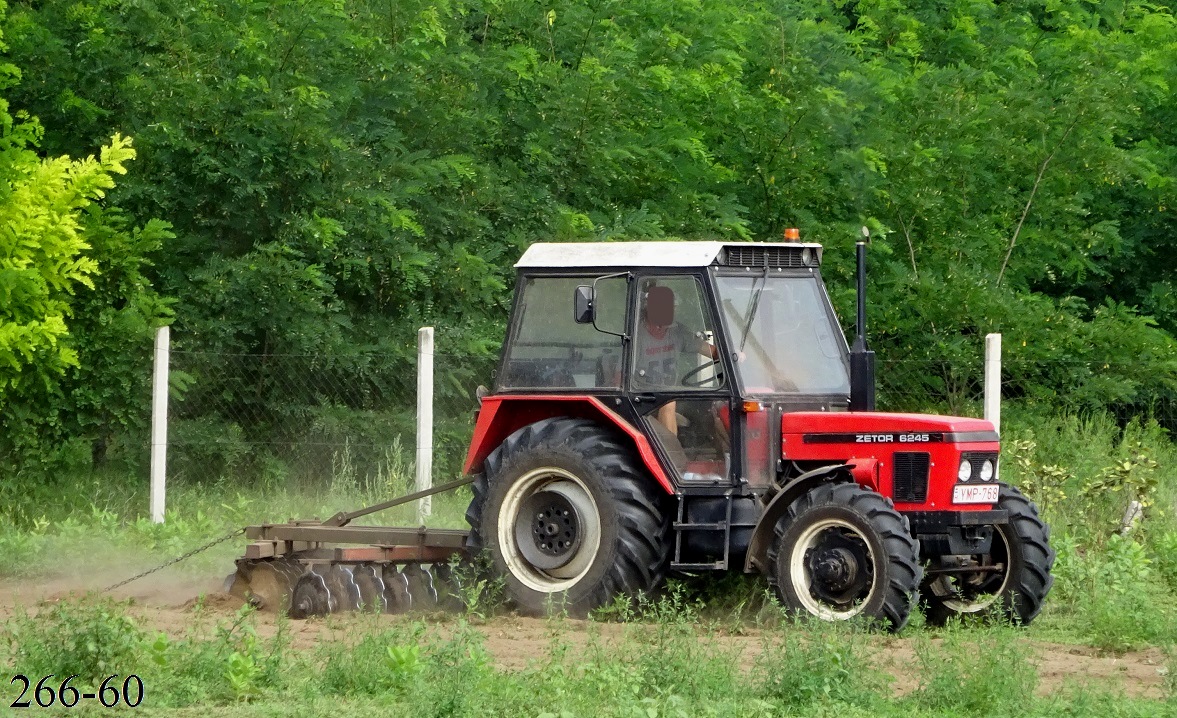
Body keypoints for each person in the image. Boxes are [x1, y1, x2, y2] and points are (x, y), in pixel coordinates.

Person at [633, 283, 719, 435]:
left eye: (673, 308)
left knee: (714, 408)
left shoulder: (678, 332)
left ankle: (726, 456)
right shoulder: (637, 336)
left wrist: (734, 354)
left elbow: (712, 353)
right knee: (668, 404)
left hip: (671, 392)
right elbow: (620, 376)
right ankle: (674, 453)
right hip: (642, 398)